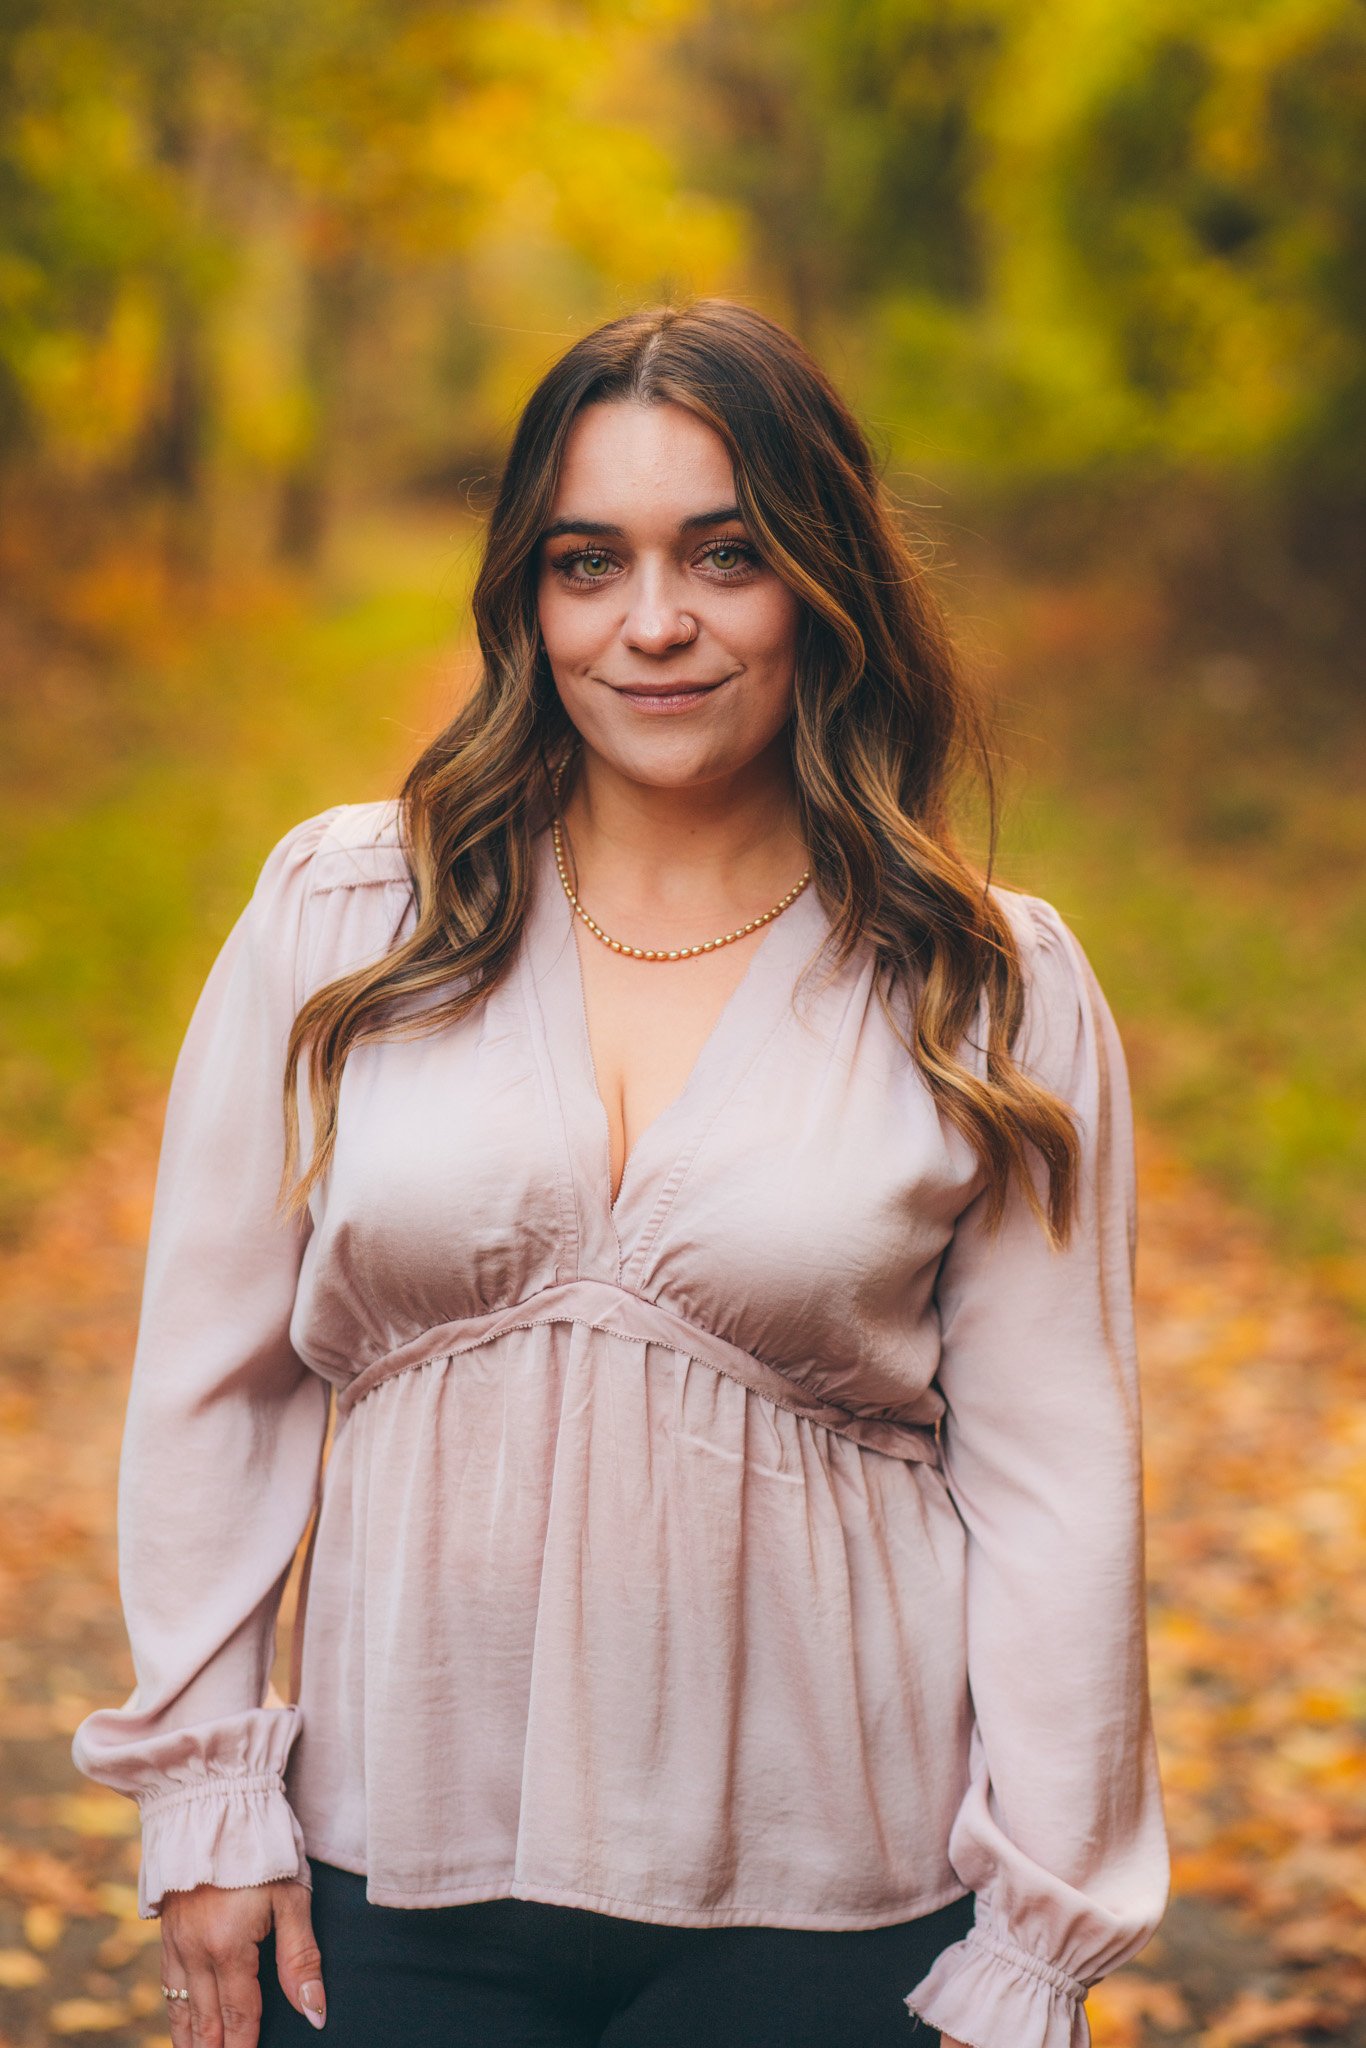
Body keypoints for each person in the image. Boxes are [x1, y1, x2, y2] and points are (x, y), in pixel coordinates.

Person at [71, 297, 1170, 2048]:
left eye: (723, 556)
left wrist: (1034, 1943)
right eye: (589, 563)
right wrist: (207, 1799)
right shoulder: (353, 916)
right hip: (386, 1883)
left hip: (834, 1907)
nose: (652, 624)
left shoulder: (982, 983)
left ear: (824, 582)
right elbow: (217, 1384)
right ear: (526, 597)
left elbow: (1057, 1492)